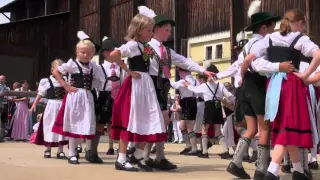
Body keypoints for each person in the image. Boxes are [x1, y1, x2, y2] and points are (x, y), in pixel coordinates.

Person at [240, 8, 320, 180]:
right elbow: (318, 55)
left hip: (273, 84)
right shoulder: (300, 38)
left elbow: (248, 60)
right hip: (292, 84)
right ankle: (272, 170)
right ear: (299, 23)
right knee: (288, 126)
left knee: (285, 126)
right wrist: (306, 76)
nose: (304, 29)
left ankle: (298, 170)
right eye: (303, 25)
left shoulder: (269, 38)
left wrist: (242, 77)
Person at [226, 1, 287, 179]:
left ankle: (236, 163)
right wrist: (278, 66)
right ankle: (261, 169)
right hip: (257, 85)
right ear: (263, 28)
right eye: (272, 26)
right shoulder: (264, 43)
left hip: (245, 86)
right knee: (264, 128)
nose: (274, 29)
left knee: (251, 129)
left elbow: (238, 66)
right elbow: (259, 66)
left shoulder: (246, 45)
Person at [51, 31, 103, 165]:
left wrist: (94, 89)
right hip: (74, 97)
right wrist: (65, 85)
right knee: (73, 125)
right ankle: (72, 153)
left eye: (89, 53)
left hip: (87, 97)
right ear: (77, 52)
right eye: (82, 52)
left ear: (93, 54)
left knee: (85, 124)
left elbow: (99, 80)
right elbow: (55, 71)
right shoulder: (72, 64)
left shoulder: (94, 66)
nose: (85, 55)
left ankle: (84, 151)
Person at [183, 67, 235, 159]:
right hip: (217, 106)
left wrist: (188, 85)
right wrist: (235, 102)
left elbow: (195, 90)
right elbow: (229, 95)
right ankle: (225, 151)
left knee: (204, 128)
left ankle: (205, 152)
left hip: (209, 106)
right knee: (217, 129)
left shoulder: (204, 86)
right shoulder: (220, 85)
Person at [30, 59, 68, 159]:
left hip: (62, 106)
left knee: (62, 127)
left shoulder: (66, 81)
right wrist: (34, 104)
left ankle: (60, 150)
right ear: (52, 70)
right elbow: (40, 94)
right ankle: (47, 149)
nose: (60, 73)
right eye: (58, 70)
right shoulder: (47, 81)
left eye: (62, 70)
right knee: (49, 126)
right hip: (51, 105)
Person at [0, 75, 9, 142]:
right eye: (0, 79)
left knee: (3, 121)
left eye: (2, 79)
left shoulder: (6, 87)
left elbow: (7, 94)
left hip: (3, 106)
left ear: (5, 80)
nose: (1, 80)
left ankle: (1, 137)